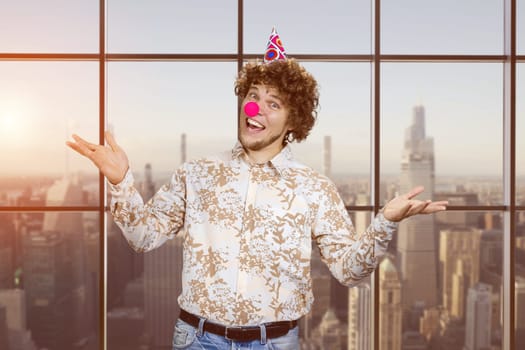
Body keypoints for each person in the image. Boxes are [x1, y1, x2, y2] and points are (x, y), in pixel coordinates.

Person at [66, 28, 448, 350]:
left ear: (293, 121)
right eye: (252, 97)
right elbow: (143, 238)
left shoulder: (314, 188)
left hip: (276, 343)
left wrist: (384, 222)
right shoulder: (196, 173)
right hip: (197, 340)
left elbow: (348, 272)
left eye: (273, 103)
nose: (256, 110)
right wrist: (121, 182)